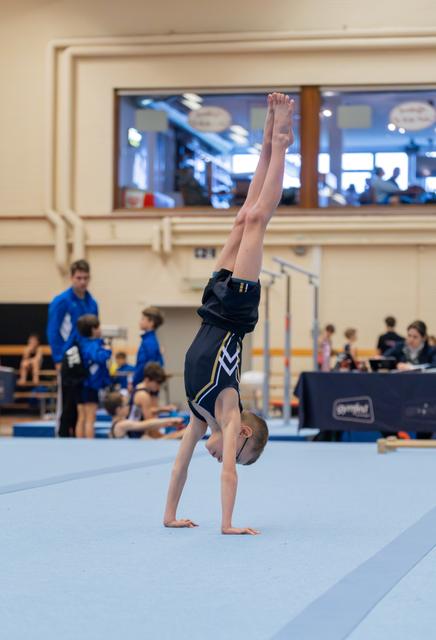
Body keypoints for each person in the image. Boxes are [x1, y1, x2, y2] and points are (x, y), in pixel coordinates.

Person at [163, 93, 294, 535]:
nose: (222, 457)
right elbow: (228, 475)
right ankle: (280, 141)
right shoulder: (227, 407)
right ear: (241, 437)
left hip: (209, 307)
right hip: (234, 314)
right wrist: (228, 523)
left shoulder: (199, 416)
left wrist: (169, 515)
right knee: (258, 219)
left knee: (242, 218)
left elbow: (179, 466)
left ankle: (267, 141)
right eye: (235, 452)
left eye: (228, 457)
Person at [47, 260, 98, 437]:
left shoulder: (92, 303)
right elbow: (53, 331)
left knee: (83, 403)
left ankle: (79, 437)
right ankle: (62, 435)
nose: (82, 282)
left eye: (85, 278)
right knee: (68, 403)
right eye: (78, 278)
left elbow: (94, 331)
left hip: (86, 359)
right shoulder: (61, 301)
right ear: (71, 278)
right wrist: (58, 359)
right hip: (68, 359)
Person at [385, 320, 436, 440]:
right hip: (400, 392)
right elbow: (385, 358)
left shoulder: (431, 350)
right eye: (409, 335)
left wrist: (412, 368)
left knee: (425, 426)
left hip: (424, 395)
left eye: (415, 337)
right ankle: (395, 437)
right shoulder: (400, 347)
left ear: (423, 338)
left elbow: (434, 366)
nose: (411, 339)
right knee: (384, 410)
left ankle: (422, 441)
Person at [75, 315, 111, 439]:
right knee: (90, 418)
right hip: (90, 385)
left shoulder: (81, 343)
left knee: (82, 417)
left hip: (80, 383)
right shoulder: (93, 345)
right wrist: (107, 350)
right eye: (98, 328)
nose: (100, 330)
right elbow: (98, 357)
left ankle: (79, 444)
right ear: (93, 330)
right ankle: (89, 445)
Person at [104, 391, 183, 438]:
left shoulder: (117, 423)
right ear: (119, 410)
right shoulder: (121, 425)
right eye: (126, 404)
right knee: (174, 437)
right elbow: (145, 424)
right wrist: (170, 420)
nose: (129, 406)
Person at [130, 362, 176, 439]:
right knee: (176, 436)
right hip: (137, 436)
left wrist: (162, 409)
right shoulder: (143, 395)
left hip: (135, 431)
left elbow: (145, 411)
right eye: (157, 383)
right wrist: (163, 437)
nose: (158, 387)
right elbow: (150, 425)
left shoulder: (139, 388)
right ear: (147, 380)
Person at [132, 307, 164, 388]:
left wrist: (134, 382)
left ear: (151, 323)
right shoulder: (148, 340)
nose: (140, 321)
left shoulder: (149, 342)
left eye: (143, 319)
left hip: (144, 385)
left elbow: (146, 367)